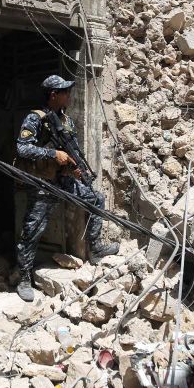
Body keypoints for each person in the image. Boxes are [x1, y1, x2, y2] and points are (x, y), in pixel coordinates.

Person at [13, 75, 119, 301]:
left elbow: (73, 153)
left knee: (95, 198)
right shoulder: (36, 118)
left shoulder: (67, 122)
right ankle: (24, 277)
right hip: (42, 183)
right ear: (53, 94)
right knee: (32, 231)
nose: (69, 96)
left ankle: (96, 247)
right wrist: (53, 154)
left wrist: (75, 168)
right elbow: (23, 149)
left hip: (63, 180)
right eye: (65, 92)